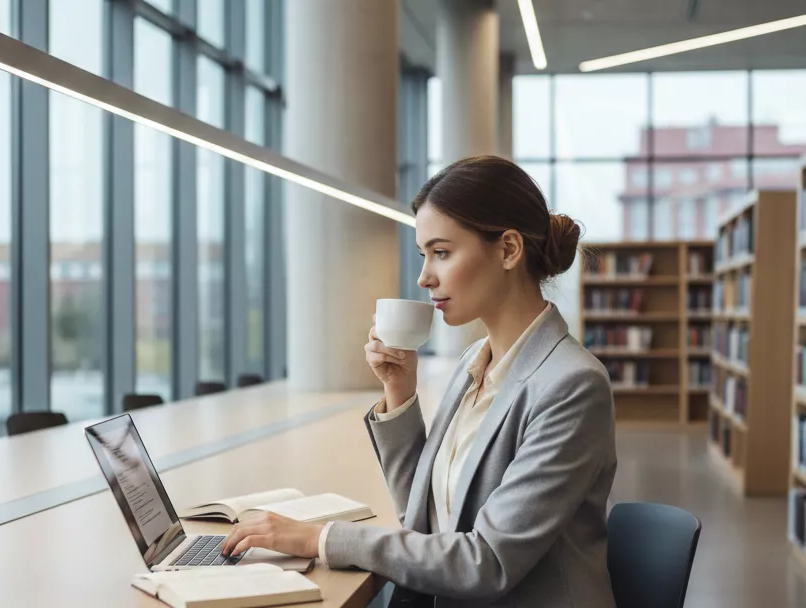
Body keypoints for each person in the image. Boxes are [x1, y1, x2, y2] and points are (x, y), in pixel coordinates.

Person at [221, 155, 617, 607]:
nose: (424, 276)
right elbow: (423, 517)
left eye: (441, 252)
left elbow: (486, 562)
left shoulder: (573, 385)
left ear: (508, 250)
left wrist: (321, 539)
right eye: (424, 254)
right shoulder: (475, 363)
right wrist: (399, 392)